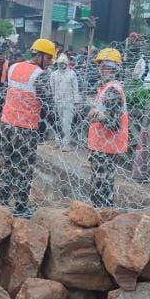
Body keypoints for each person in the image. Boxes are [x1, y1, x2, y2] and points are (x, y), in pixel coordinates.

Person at [0, 38, 55, 217]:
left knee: (8, 164)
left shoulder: (14, 67)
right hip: (26, 128)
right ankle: (21, 207)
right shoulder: (40, 74)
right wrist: (52, 123)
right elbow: (46, 102)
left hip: (7, 124)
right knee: (24, 168)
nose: (49, 63)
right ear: (40, 56)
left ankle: (2, 200)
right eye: (48, 59)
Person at [86, 48, 129, 207]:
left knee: (101, 187)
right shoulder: (106, 88)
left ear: (114, 68)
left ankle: (102, 218)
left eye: (105, 66)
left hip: (106, 147)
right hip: (102, 145)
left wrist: (96, 115)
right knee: (102, 184)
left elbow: (113, 123)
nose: (101, 69)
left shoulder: (112, 90)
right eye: (101, 66)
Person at [49, 53, 80, 150]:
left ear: (66, 63)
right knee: (58, 123)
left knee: (67, 122)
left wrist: (76, 102)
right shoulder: (53, 74)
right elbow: (52, 88)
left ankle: (66, 143)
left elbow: (75, 89)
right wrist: (53, 99)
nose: (61, 65)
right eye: (60, 63)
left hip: (69, 102)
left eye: (63, 63)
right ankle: (58, 142)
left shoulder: (72, 74)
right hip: (58, 101)